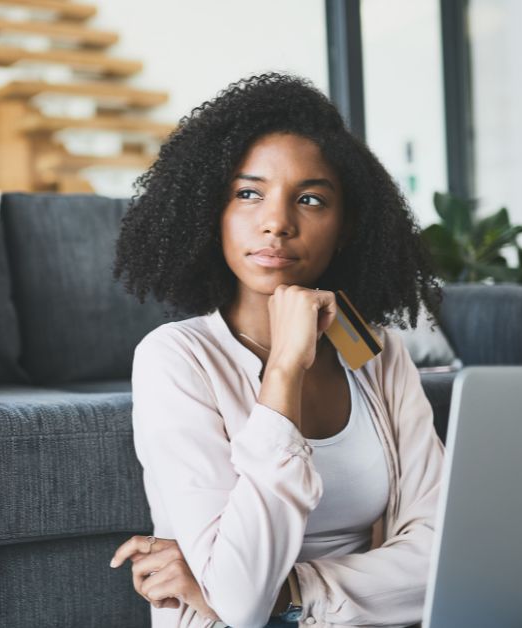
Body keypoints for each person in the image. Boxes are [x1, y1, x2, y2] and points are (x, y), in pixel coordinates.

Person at [106, 72, 446, 628]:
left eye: (310, 199)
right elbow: (239, 603)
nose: (277, 223)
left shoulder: (379, 354)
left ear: (345, 227)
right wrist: (285, 368)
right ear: (210, 213)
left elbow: (441, 555)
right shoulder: (175, 358)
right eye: (248, 193)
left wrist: (292, 591)